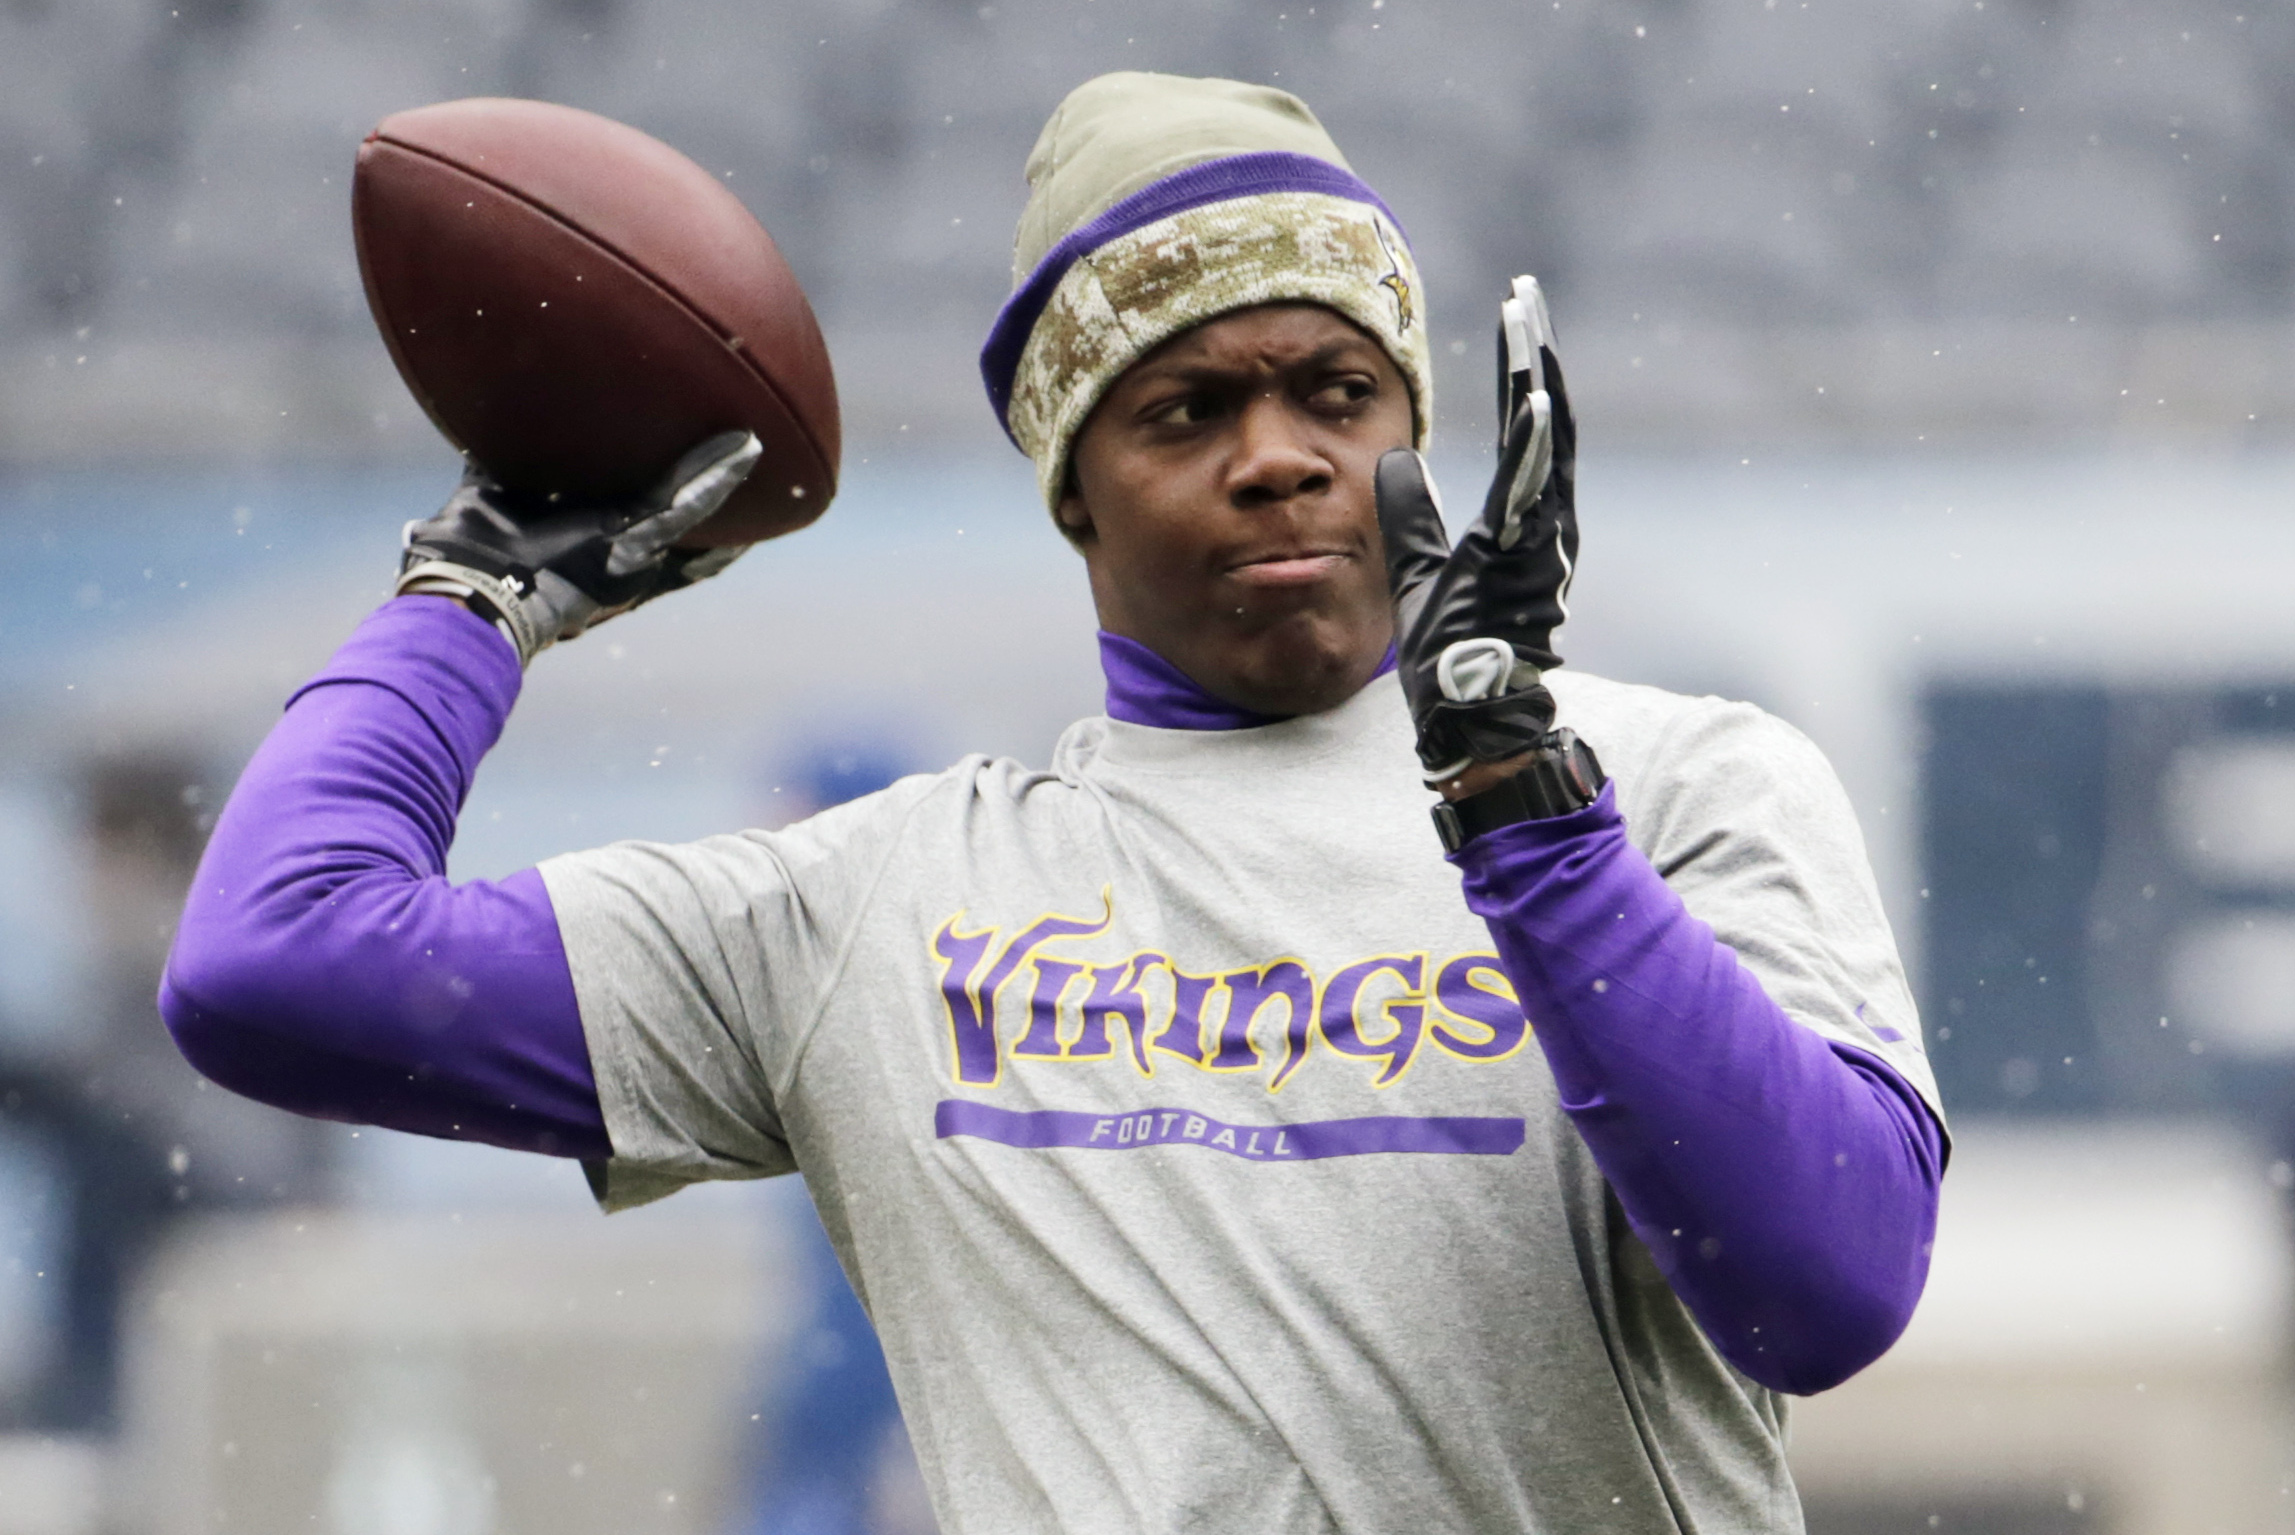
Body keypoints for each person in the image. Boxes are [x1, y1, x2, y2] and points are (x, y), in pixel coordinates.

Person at [162, 72, 1947, 1534]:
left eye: (1339, 389)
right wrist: (471, 609)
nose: (1278, 453)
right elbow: (271, 964)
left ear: (1419, 422)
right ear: (1073, 489)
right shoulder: (876, 903)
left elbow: (1830, 1288)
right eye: (1184, 408)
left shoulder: (1677, 785)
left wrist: (1523, 809)